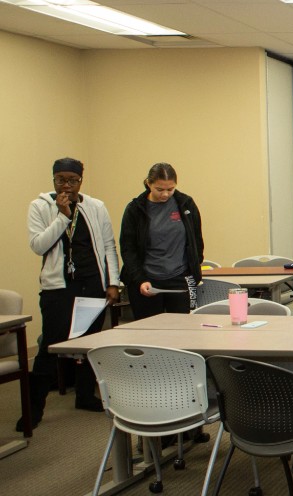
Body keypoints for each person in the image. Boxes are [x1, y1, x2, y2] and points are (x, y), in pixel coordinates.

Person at [20, 157, 121, 431]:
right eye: (61, 180)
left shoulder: (96, 206)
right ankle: (34, 409)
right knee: (50, 345)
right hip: (59, 287)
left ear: (81, 181)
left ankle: (85, 395)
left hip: (92, 284)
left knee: (89, 343)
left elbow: (109, 246)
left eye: (73, 180)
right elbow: (38, 246)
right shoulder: (40, 206)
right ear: (53, 180)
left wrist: (113, 282)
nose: (67, 185)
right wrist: (62, 216)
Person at [120, 163, 205, 319]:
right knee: (149, 328)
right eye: (159, 189)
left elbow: (196, 240)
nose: (165, 194)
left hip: (180, 277)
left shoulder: (186, 204)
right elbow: (128, 249)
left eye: (170, 189)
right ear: (148, 184)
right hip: (147, 279)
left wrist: (193, 266)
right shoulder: (135, 209)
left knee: (182, 326)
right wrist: (140, 279)